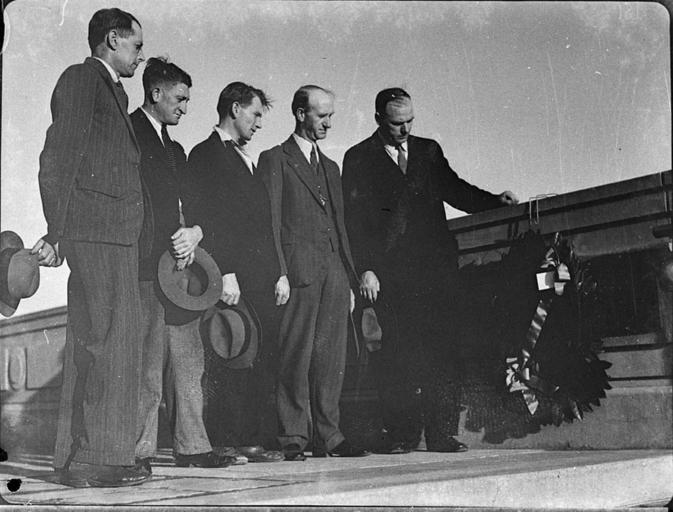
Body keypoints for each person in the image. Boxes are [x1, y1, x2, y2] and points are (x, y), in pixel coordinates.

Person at [341, 87, 518, 455]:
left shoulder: (428, 151)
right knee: (397, 354)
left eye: (410, 121)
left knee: (444, 351)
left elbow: (455, 189)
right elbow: (354, 221)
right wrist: (366, 269)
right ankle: (402, 435)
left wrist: (493, 202)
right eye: (396, 123)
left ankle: (442, 435)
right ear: (378, 119)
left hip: (437, 272)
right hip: (390, 276)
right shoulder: (358, 158)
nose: (405, 129)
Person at [33, 8, 149, 487]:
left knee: (99, 342)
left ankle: (81, 456)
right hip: (99, 232)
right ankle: (98, 459)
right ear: (113, 39)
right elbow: (59, 155)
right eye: (136, 46)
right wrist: (56, 231)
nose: (140, 56)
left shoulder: (110, 89)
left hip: (109, 232)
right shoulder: (83, 79)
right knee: (110, 344)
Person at [131, 57, 234, 470]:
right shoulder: (127, 133)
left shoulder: (175, 149)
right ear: (155, 93)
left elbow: (196, 205)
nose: (185, 108)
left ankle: (193, 447)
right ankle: (137, 453)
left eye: (188, 100)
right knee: (147, 366)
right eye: (179, 99)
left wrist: (195, 233)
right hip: (143, 269)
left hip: (179, 272)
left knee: (190, 362)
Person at [257, 85, 369, 460]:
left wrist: (348, 277)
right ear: (300, 113)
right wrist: (279, 272)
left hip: (334, 273)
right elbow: (271, 221)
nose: (328, 123)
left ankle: (329, 435)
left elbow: (340, 225)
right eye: (322, 115)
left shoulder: (331, 168)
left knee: (332, 359)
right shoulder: (275, 159)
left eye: (331, 116)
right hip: (298, 272)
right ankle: (293, 435)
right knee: (296, 354)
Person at [183, 82, 284, 463]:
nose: (259, 123)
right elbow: (204, 217)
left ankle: (251, 440)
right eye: (255, 114)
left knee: (257, 358)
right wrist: (224, 271)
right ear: (235, 108)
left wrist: (277, 273)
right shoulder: (204, 154)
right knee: (229, 355)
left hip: (260, 277)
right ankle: (226, 439)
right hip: (230, 278)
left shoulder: (245, 157)